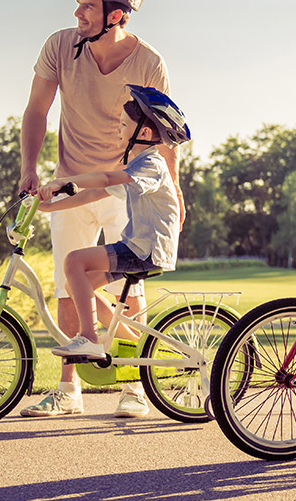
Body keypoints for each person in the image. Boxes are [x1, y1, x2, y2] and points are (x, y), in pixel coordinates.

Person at [19, 0, 184, 419]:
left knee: (131, 288)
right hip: (70, 180)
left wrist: (176, 192)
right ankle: (68, 388)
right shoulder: (60, 45)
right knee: (68, 287)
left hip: (124, 184)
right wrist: (29, 168)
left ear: (116, 15)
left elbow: (162, 134)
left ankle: (134, 390)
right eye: (79, 4)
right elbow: (36, 109)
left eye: (88, 6)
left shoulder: (149, 61)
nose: (78, 13)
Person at [38, 86, 190, 376]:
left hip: (145, 249)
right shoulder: (136, 165)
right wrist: (46, 207)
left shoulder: (151, 165)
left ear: (143, 134)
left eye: (122, 125)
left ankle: (90, 339)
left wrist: (64, 180)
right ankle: (140, 347)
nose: (118, 130)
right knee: (75, 284)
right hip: (138, 247)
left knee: (73, 261)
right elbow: (95, 194)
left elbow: (105, 177)